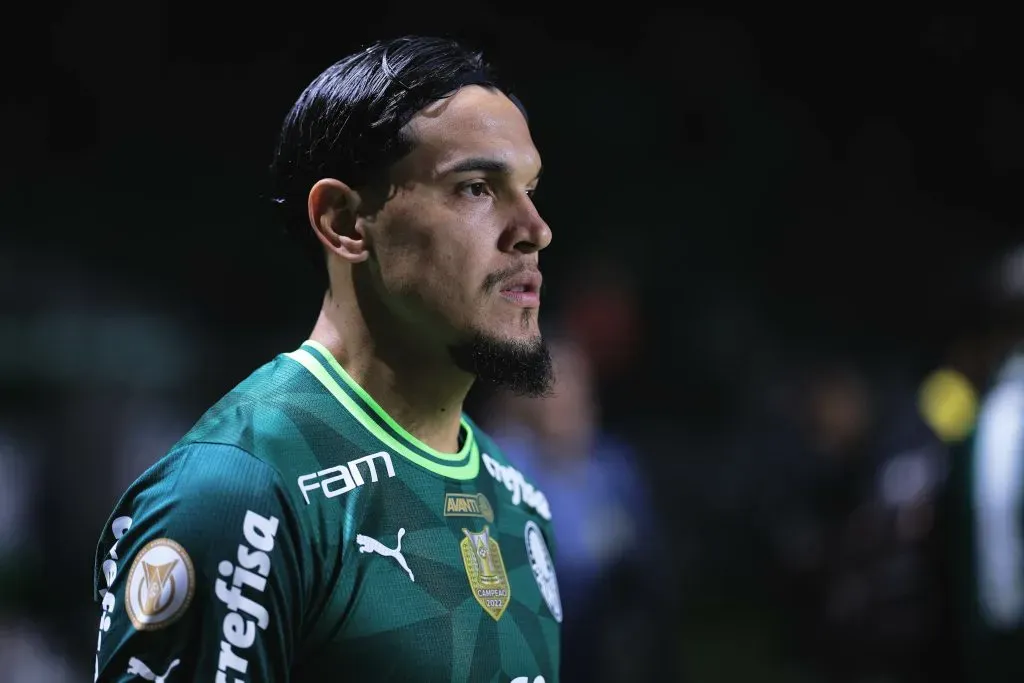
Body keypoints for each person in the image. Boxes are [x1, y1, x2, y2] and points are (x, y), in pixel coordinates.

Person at [92, 36, 562, 683]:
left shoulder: (517, 497)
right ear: (343, 220)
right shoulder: (239, 494)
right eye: (477, 187)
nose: (534, 228)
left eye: (530, 187)